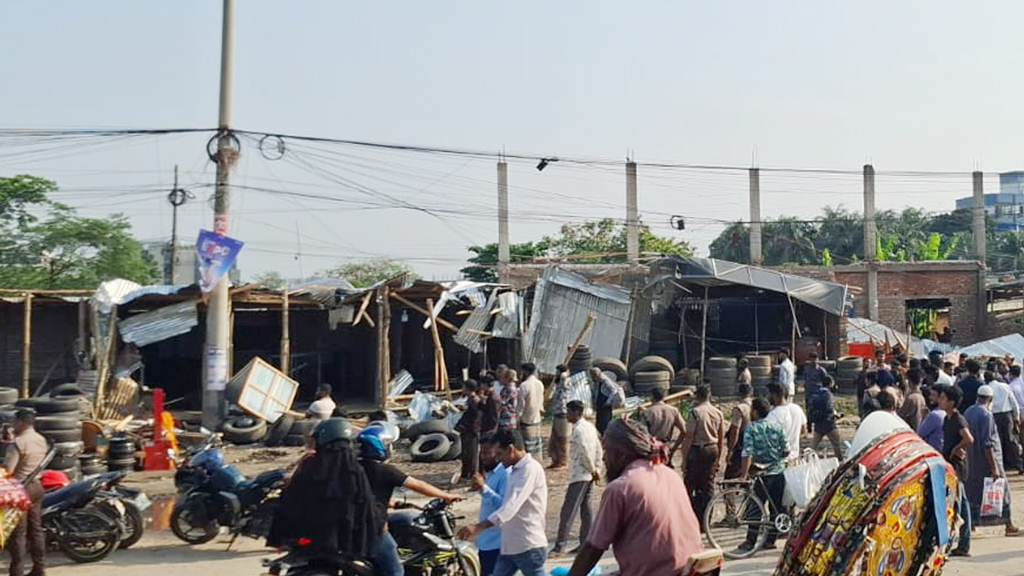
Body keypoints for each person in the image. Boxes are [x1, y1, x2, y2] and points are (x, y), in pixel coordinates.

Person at [565, 419, 703, 576]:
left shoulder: (621, 488)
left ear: (621, 454)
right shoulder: (671, 475)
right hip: (688, 570)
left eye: (606, 451)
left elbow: (593, 549)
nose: (604, 458)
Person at [267, 418, 383, 570]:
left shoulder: (311, 465)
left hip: (308, 536)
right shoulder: (354, 470)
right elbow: (365, 504)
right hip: (344, 541)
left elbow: (291, 499)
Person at [356, 425, 462, 576]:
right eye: (388, 445)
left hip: (353, 525)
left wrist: (390, 503)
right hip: (374, 528)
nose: (390, 448)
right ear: (380, 447)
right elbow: (418, 485)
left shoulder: (353, 468)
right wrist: (446, 496)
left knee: (404, 519)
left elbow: (365, 494)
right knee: (396, 571)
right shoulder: (386, 471)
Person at [458, 430, 548, 576]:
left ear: (511, 449)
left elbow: (509, 508)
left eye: (500, 454)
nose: (499, 459)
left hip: (527, 545)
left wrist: (479, 527)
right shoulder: (515, 470)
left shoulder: (529, 469)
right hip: (510, 545)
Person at [962, 386, 1024, 536]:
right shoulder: (986, 415)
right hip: (988, 460)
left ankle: (972, 524)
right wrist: (994, 467)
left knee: (974, 493)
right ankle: (1009, 525)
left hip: (973, 459)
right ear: (990, 400)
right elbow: (988, 443)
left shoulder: (968, 411)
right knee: (1003, 492)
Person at [738, 397, 790, 553]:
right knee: (776, 508)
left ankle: (750, 541)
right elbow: (786, 449)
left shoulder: (751, 429)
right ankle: (770, 540)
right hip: (779, 472)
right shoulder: (777, 427)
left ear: (755, 412)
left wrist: (743, 475)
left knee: (755, 509)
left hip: (762, 474)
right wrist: (776, 458)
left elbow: (747, 453)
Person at [552, 401, 602, 555]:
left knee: (568, 511)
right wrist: (597, 468)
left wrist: (593, 469)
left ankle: (560, 546)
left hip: (580, 475)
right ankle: (585, 543)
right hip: (589, 474)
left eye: (569, 412)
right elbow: (599, 448)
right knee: (586, 510)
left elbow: (584, 452)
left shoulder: (579, 430)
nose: (567, 415)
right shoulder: (590, 427)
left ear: (576, 413)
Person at [5, 410, 48, 576]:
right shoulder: (41, 439)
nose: (12, 425)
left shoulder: (18, 443)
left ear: (21, 423)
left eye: (14, 422)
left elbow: (9, 470)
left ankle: (17, 571)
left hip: (20, 490)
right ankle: (39, 568)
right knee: (36, 529)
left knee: (18, 533)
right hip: (37, 486)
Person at [679, 384, 725, 525]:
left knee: (690, 484)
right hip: (712, 449)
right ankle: (706, 520)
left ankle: (689, 519)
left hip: (697, 450)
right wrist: (719, 458)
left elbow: (689, 437)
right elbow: (721, 437)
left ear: (697, 396)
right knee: (708, 485)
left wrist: (684, 459)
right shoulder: (718, 413)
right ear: (709, 396)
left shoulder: (695, 412)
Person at [937, 386, 974, 557]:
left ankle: (963, 543)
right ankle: (962, 543)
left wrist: (956, 449)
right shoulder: (947, 418)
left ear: (951, 402)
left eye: (943, 398)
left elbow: (969, 438)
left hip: (957, 466)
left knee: (960, 505)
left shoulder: (958, 419)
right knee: (960, 503)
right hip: (950, 464)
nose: (940, 400)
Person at [473, 435, 509, 576]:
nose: (483, 457)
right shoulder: (492, 473)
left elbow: (505, 506)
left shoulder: (505, 474)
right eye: (482, 453)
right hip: (486, 541)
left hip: (497, 542)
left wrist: (484, 489)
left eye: (487, 453)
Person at [987, 370, 1023, 474]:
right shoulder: (1005, 386)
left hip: (994, 415)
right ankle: (1019, 464)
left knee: (998, 441)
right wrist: (1016, 417)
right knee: (1011, 440)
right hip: (1007, 415)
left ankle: (1002, 464)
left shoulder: (987, 388)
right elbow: (1014, 403)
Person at [643, 386, 688, 467]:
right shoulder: (673, 410)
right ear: (663, 397)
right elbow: (684, 431)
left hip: (652, 449)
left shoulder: (648, 412)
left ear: (652, 397)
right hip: (667, 447)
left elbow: (642, 433)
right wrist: (674, 449)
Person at [765, 382, 807, 460]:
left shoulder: (773, 415)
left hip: (779, 460)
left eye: (768, 394)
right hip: (795, 457)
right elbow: (803, 431)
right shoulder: (797, 408)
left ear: (775, 395)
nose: (767, 397)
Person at [724, 382, 754, 481]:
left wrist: (730, 450)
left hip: (741, 444)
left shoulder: (740, 409)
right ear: (751, 393)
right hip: (753, 441)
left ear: (739, 393)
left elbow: (735, 431)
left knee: (731, 476)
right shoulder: (755, 406)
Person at [808, 375, 843, 458]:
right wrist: (835, 415)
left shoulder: (816, 393)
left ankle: (806, 458)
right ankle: (840, 460)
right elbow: (829, 408)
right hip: (829, 423)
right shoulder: (828, 394)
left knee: (813, 445)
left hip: (818, 423)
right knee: (836, 443)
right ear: (830, 383)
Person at [455, 380, 482, 484]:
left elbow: (474, 417)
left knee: (471, 453)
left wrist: (464, 426)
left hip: (471, 431)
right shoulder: (470, 400)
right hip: (467, 430)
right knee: (466, 452)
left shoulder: (475, 401)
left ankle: (471, 474)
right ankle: (466, 473)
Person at [516, 363, 545, 457]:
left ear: (525, 371)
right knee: (536, 445)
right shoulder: (540, 383)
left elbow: (521, 405)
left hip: (526, 419)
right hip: (537, 418)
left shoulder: (524, 385)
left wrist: (517, 418)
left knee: (527, 447)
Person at [546, 364, 571, 469]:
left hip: (563, 413)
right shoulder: (558, 383)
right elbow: (549, 395)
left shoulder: (566, 381)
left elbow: (564, 378)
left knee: (562, 439)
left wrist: (563, 373)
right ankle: (556, 460)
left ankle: (563, 461)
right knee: (554, 439)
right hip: (557, 413)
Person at [590, 367, 625, 434]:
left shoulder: (605, 380)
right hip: (600, 404)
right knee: (599, 422)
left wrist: (608, 401)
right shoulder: (597, 381)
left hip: (605, 404)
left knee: (605, 422)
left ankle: (605, 434)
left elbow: (614, 391)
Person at [917, 384, 947, 452]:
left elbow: (920, 433)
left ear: (940, 398)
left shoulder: (935, 415)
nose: (930, 397)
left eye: (933, 395)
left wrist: (923, 418)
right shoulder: (944, 412)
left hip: (932, 452)